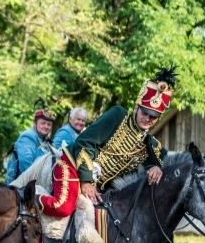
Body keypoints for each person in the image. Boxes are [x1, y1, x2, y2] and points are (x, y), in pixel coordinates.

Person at [37, 67, 175, 217]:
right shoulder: (118, 115)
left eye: (153, 117)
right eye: (145, 113)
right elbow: (84, 142)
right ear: (136, 107)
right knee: (63, 207)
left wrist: (155, 166)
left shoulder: (151, 145)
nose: (148, 119)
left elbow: (160, 161)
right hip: (74, 167)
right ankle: (28, 199)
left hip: (99, 189)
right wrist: (86, 181)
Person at [4, 105, 55, 184]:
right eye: (43, 123)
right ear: (35, 123)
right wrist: (38, 183)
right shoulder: (27, 137)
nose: (46, 126)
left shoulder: (47, 141)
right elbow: (26, 164)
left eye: (49, 124)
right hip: (21, 187)